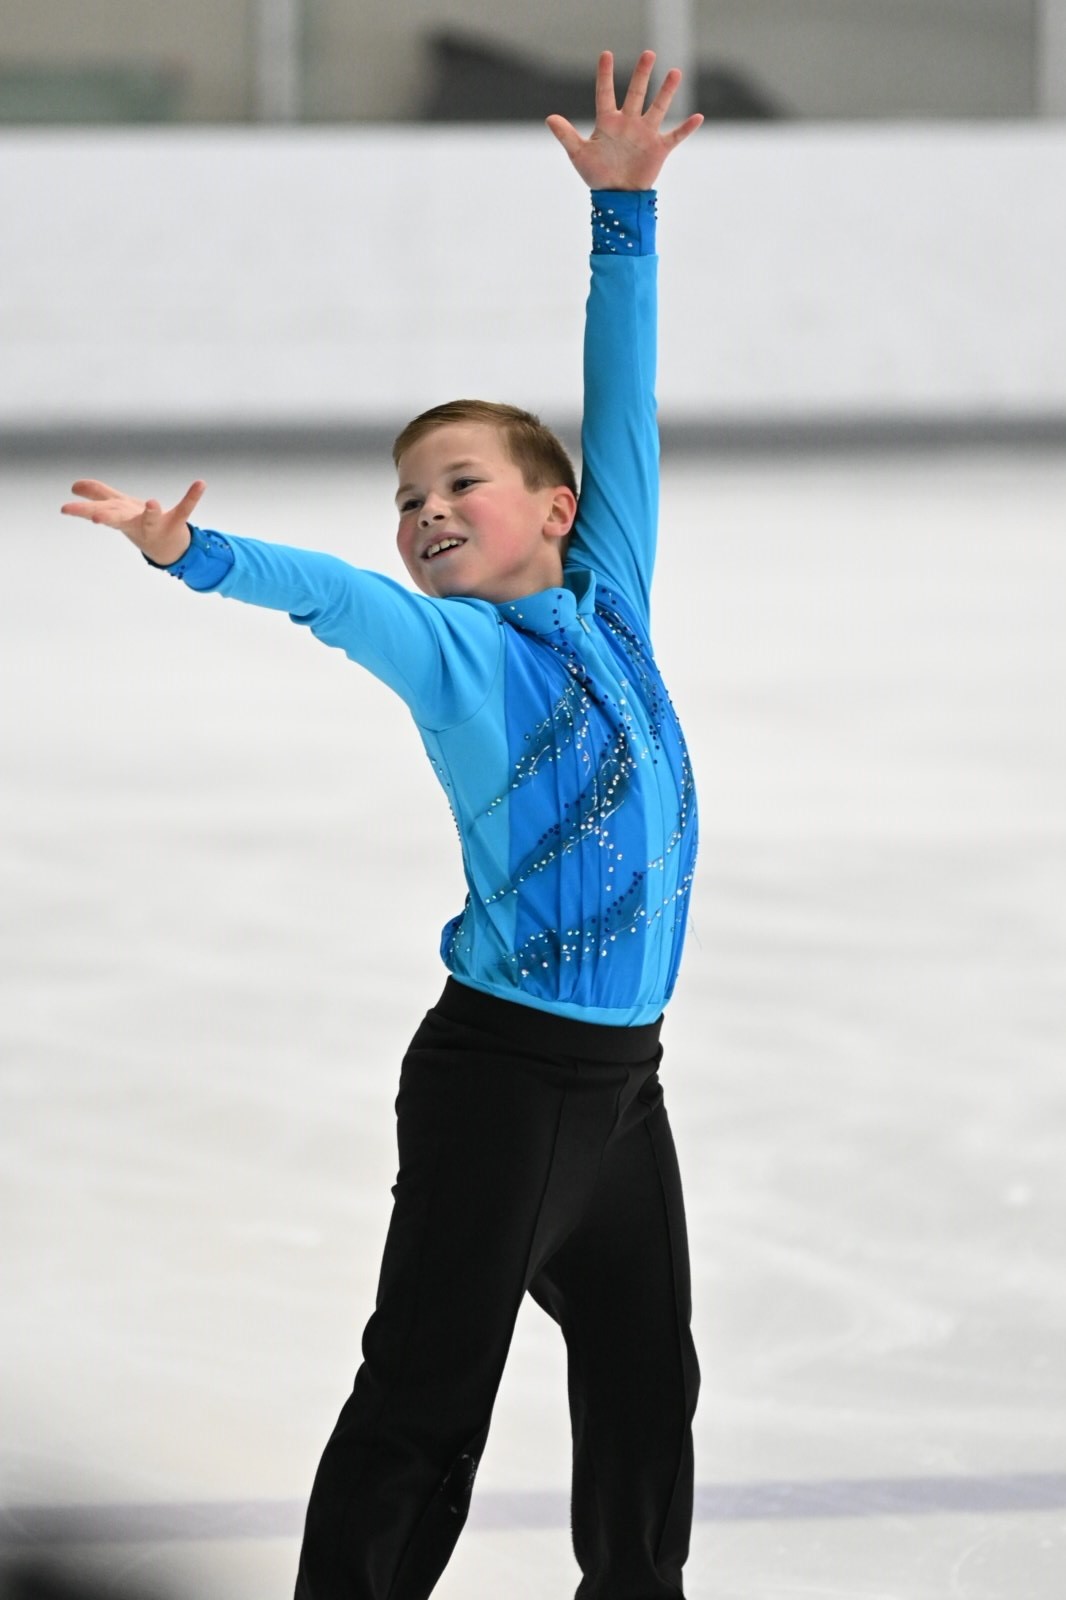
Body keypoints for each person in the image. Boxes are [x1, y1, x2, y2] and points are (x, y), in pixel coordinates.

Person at [62, 49, 704, 1600]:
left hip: (622, 1095)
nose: (421, 511)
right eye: (406, 493)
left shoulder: (604, 594)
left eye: (458, 481)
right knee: (426, 1407)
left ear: (553, 509)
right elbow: (337, 598)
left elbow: (622, 406)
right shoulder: (457, 650)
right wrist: (194, 553)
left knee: (643, 1390)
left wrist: (623, 219)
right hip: (501, 1080)